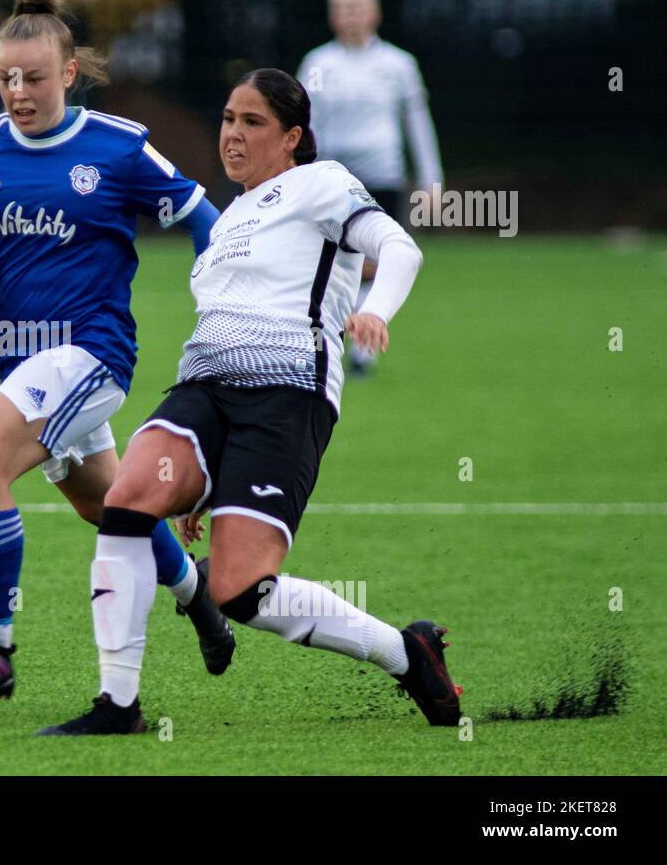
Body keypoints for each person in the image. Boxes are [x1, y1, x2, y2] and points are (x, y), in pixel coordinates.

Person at [39, 69, 461, 736]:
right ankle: (117, 706)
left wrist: (375, 311)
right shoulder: (228, 216)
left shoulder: (323, 183)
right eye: (228, 118)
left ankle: (406, 655)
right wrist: (200, 483)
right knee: (125, 501)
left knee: (239, 592)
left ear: (292, 137)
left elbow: (398, 248)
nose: (233, 134)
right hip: (202, 389)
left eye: (253, 122)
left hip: (287, 396)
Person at [0, 0, 231, 699]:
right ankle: (201, 600)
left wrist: (222, 294)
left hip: (91, 353)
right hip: (21, 360)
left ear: (70, 73)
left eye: (33, 78)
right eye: (5, 80)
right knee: (109, 505)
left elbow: (200, 217)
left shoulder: (118, 148)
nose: (18, 93)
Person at [297, 0, 443, 374]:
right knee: (329, 260)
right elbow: (306, 124)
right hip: (333, 178)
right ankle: (327, 339)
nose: (350, 15)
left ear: (375, 12)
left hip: (383, 174)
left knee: (373, 261)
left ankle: (362, 349)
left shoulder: (398, 64)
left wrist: (432, 180)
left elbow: (417, 122)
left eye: (357, 7)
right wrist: (299, 174)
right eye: (342, 8)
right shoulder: (318, 62)